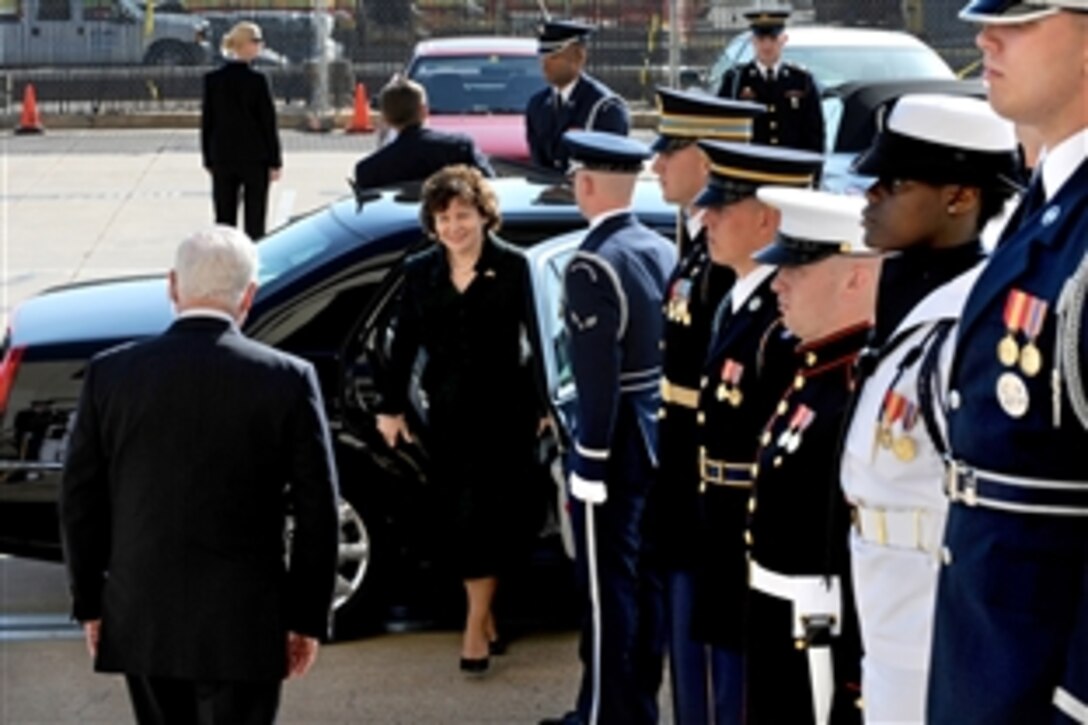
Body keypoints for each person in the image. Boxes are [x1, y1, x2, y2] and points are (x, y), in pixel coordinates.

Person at [59, 225, 340, 725]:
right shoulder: (288, 378)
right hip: (247, 618)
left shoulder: (110, 373)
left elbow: (81, 501)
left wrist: (90, 602)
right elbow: (319, 510)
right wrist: (306, 618)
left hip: (143, 612)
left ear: (172, 285)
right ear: (249, 295)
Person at [927, 2, 1088, 722]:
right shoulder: (1050, 201)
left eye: (1020, 20)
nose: (984, 37)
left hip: (1043, 678)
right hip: (995, 652)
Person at [838, 93, 1019, 724]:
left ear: (960, 198)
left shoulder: (976, 318)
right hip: (886, 613)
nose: (870, 196)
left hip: (941, 622)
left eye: (893, 183)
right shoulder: (901, 296)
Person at [374, 165, 539, 675]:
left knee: (491, 522)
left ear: (485, 216)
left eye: (463, 215)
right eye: (443, 217)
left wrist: (546, 407)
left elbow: (541, 341)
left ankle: (474, 628)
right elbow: (400, 345)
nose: (454, 227)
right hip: (445, 416)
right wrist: (390, 406)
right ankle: (483, 615)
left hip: (505, 416)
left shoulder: (515, 267)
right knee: (459, 523)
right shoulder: (420, 271)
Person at [541, 131, 675, 725]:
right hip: (654, 433)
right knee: (644, 584)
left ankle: (603, 714)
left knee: (605, 592)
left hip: (614, 444)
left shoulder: (592, 264)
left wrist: (588, 460)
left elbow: (599, 377)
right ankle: (636, 704)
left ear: (587, 184)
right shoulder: (658, 246)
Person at [688, 139, 823, 724]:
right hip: (719, 516)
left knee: (748, 689)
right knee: (726, 677)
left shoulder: (779, 323)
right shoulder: (737, 303)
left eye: (722, 209)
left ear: (768, 219)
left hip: (748, 525)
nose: (705, 219)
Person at [647, 88, 764, 724]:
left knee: (721, 666)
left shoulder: (729, 261)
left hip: (712, 484)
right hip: (685, 474)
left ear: (709, 157)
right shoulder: (697, 245)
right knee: (689, 652)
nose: (657, 164)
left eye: (671, 151)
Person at [744, 187, 878, 725]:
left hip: (822, 634)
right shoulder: (813, 369)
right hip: (783, 620)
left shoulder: (858, 387)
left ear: (855, 276)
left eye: (796, 268)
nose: (777, 282)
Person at [201, 22, 283, 241]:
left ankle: (225, 259)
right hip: (254, 158)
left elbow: (207, 123)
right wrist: (275, 161)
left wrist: (208, 158)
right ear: (243, 44)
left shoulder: (213, 80)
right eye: (256, 41)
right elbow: (268, 123)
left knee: (224, 217)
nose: (260, 45)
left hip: (223, 156)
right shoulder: (257, 80)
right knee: (255, 219)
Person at [353, 76, 495, 190]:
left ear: (386, 118)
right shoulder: (459, 148)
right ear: (424, 111)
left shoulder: (369, 171)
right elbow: (491, 187)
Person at [525, 20, 630, 174]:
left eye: (554, 56)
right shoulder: (537, 105)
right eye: (542, 56)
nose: (545, 64)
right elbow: (539, 163)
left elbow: (610, 170)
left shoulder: (605, 107)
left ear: (579, 57)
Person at [716, 9, 825, 154]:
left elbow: (815, 133)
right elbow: (723, 128)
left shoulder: (801, 80)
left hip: (791, 168)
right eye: (761, 40)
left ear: (783, 40)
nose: (767, 46)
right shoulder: (736, 80)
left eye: (773, 39)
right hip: (750, 167)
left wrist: (812, 172)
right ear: (753, 42)